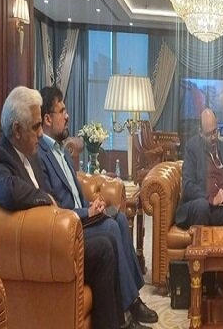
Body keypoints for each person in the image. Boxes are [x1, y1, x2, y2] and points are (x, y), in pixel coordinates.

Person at [0, 86, 125, 329]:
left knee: (108, 239)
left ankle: (117, 322)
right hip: (33, 249)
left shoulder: (30, 154)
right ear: (16, 130)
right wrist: (45, 198)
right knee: (103, 247)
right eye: (36, 127)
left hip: (52, 237)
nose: (40, 134)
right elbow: (6, 191)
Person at [36, 86, 157, 328]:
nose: (67, 116)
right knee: (111, 228)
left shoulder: (62, 150)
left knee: (119, 218)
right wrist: (86, 213)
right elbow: (53, 207)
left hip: (83, 215)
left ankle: (132, 300)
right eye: (62, 111)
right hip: (70, 226)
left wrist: (92, 204)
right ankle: (127, 310)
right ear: (47, 119)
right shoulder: (40, 155)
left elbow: (73, 193)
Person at [175, 108, 223, 229]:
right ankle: (202, 241)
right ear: (200, 133)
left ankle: (219, 241)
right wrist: (210, 198)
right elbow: (188, 185)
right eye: (208, 134)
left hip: (219, 209)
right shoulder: (192, 147)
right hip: (199, 205)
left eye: (215, 131)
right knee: (203, 206)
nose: (213, 137)